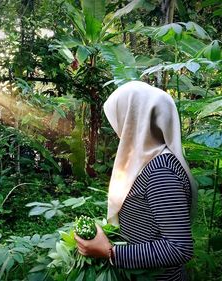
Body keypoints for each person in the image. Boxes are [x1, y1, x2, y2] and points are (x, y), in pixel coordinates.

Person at [74, 81, 198, 280]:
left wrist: (110, 252)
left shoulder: (161, 172)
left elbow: (179, 248)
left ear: (134, 120)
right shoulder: (147, 163)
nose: (117, 129)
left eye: (119, 118)